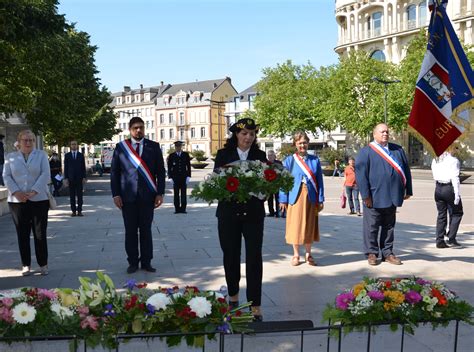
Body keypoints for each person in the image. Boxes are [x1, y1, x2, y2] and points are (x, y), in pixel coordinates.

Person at [214, 118, 267, 321]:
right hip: (228, 213)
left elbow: (267, 181)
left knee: (254, 258)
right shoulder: (223, 155)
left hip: (253, 213)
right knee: (231, 255)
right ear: (236, 134)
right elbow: (216, 181)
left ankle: (255, 306)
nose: (248, 138)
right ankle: (234, 297)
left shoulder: (260, 156)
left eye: (252, 134)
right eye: (244, 133)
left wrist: (267, 190)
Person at [110, 116, 166, 274]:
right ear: (130, 130)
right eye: (135, 127)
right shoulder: (121, 147)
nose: (139, 130)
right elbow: (114, 173)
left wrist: (160, 193)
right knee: (130, 231)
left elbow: (161, 172)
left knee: (146, 230)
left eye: (141, 127)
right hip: (127, 197)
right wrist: (116, 195)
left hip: (148, 196)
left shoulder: (153, 147)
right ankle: (133, 262)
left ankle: (147, 262)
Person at [356, 123, 412, 266]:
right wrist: (365, 196)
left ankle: (387, 253)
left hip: (393, 195)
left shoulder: (397, 150)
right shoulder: (366, 152)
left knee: (389, 227)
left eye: (387, 132)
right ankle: (372, 253)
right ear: (374, 134)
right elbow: (361, 176)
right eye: (382, 132)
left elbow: (406, 170)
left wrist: (408, 190)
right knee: (372, 227)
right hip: (373, 197)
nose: (385, 134)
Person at [2, 130, 50, 276]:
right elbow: (6, 176)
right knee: (22, 234)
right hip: (17, 201)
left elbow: (45, 174)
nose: (28, 143)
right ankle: (26, 265)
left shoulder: (41, 155)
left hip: (39, 199)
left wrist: (34, 191)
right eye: (25, 140)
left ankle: (43, 264)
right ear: (19, 141)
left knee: (40, 233)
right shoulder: (10, 157)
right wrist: (17, 192)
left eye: (31, 140)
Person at [279, 131, 324, 267]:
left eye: (304, 142)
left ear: (308, 143)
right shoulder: (289, 160)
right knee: (295, 225)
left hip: (310, 196)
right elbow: (283, 181)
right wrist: (283, 199)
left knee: (310, 224)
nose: (302, 145)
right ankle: (296, 254)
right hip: (295, 196)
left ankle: (308, 254)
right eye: (299, 143)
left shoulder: (314, 160)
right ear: (295, 144)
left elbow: (320, 181)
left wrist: (320, 198)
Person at [431, 147, 464, 249]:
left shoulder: (435, 159)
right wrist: (457, 194)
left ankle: (439, 240)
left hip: (438, 187)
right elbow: (455, 178)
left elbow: (434, 173)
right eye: (455, 148)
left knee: (441, 215)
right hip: (449, 188)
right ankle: (451, 237)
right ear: (450, 148)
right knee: (457, 212)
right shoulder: (454, 161)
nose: (456, 150)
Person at [167, 141, 191, 214]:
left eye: (179, 146)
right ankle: (177, 209)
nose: (178, 148)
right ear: (175, 147)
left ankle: (183, 209)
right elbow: (169, 167)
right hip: (175, 177)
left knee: (183, 193)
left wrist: (188, 176)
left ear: (181, 147)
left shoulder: (185, 155)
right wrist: (170, 177)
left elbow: (188, 166)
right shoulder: (171, 155)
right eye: (177, 146)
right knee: (176, 194)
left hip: (184, 177)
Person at [64, 141, 86, 216]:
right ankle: (73, 211)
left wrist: (84, 177)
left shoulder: (80, 155)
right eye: (72, 144)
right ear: (70, 146)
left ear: (77, 146)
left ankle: (79, 211)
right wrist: (66, 178)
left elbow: (83, 167)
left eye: (75, 144)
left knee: (80, 196)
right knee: (72, 196)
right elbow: (66, 167)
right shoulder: (67, 155)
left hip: (79, 178)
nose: (74, 146)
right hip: (70, 179)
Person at [266, 150, 282, 217]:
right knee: (270, 199)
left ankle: (278, 212)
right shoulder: (266, 163)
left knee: (277, 198)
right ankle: (271, 212)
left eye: (271, 155)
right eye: (269, 156)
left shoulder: (279, 163)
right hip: (269, 184)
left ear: (274, 156)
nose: (270, 157)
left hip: (276, 183)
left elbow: (282, 171)